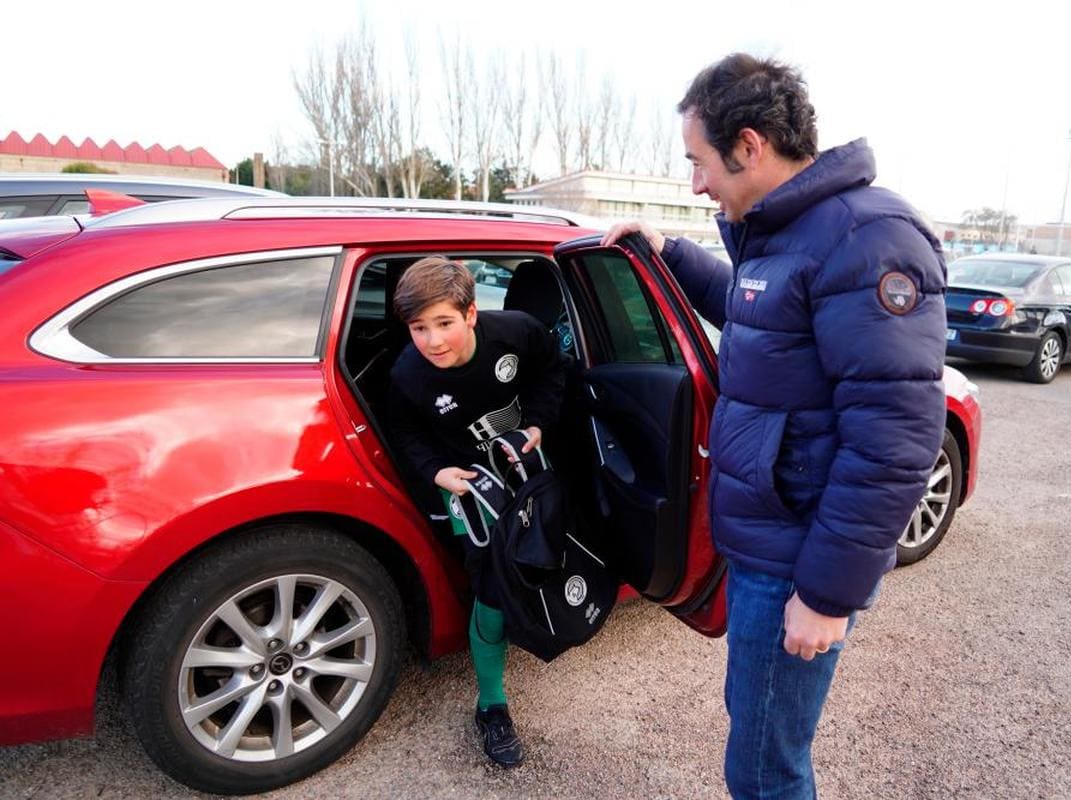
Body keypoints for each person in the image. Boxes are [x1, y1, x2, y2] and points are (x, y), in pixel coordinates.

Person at [603, 54, 947, 798]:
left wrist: (827, 594)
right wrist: (670, 254)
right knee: (756, 735)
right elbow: (759, 314)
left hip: (798, 561)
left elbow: (895, 442)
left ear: (750, 145)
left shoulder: (866, 239)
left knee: (764, 767)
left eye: (700, 162)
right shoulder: (794, 234)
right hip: (766, 550)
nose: (697, 181)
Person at [386, 256, 568, 768]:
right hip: (467, 485)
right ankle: (492, 704)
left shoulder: (515, 332)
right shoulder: (408, 375)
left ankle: (553, 616)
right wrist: (436, 473)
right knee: (491, 587)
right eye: (419, 328)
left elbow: (550, 371)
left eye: (443, 323)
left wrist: (535, 424)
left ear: (470, 314)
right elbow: (404, 434)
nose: (432, 340)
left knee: (540, 552)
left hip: (523, 461)